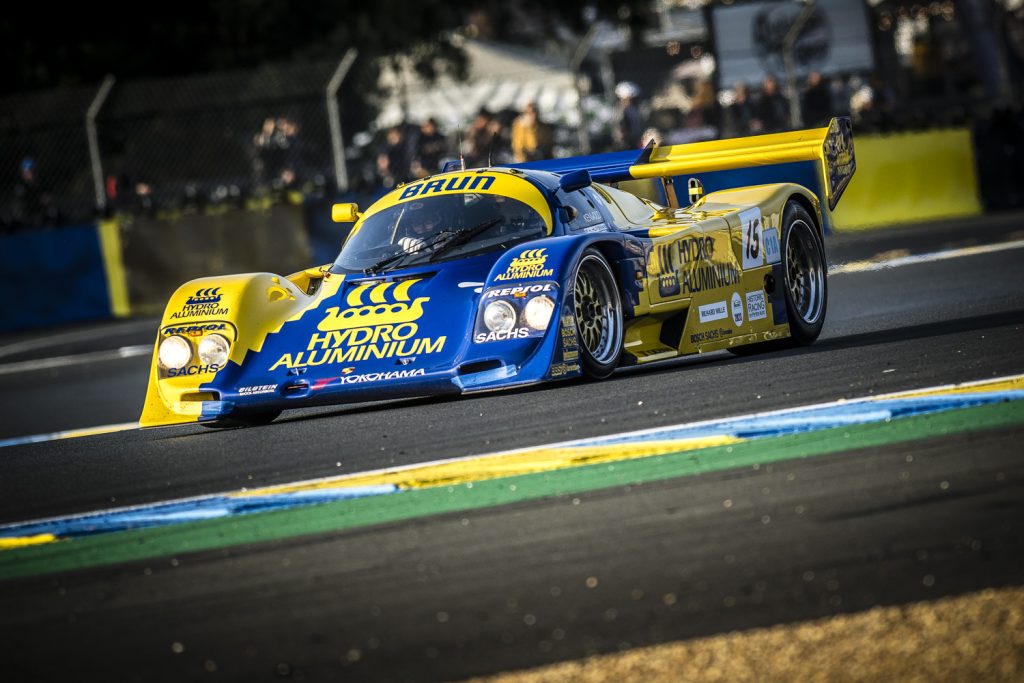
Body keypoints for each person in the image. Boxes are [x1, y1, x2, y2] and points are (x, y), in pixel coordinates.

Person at [612, 81, 645, 149]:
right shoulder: (620, 111)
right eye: (630, 98)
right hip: (626, 145)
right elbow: (620, 130)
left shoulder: (632, 109)